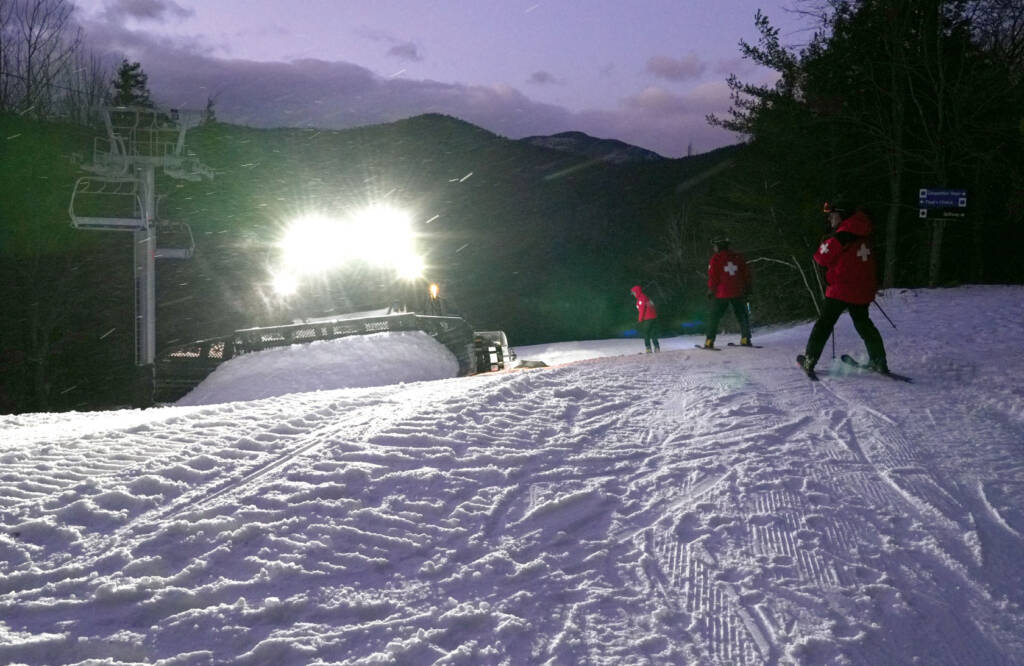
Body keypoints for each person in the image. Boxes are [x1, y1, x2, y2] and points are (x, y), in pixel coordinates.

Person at [801, 202, 888, 374]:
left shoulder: (843, 234)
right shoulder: (865, 230)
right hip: (863, 289)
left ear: (841, 216)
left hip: (841, 289)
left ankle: (810, 359)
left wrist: (827, 239)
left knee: (824, 324)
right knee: (864, 324)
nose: (830, 219)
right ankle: (879, 360)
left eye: (832, 215)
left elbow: (821, 258)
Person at [703, 238, 753, 348]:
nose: (714, 248)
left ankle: (709, 341)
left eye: (715, 246)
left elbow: (713, 276)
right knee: (742, 315)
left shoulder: (716, 258)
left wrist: (711, 290)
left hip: (722, 293)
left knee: (714, 317)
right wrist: (748, 288)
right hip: (738, 291)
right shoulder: (738, 257)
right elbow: (746, 273)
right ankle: (745, 338)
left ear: (719, 246)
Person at [630, 285, 660, 353]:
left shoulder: (641, 298)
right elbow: (651, 305)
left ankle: (648, 348)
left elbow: (642, 309)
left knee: (646, 333)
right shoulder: (645, 297)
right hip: (653, 317)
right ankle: (657, 347)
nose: (633, 295)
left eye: (634, 293)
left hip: (648, 318)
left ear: (637, 292)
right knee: (653, 333)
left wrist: (640, 320)